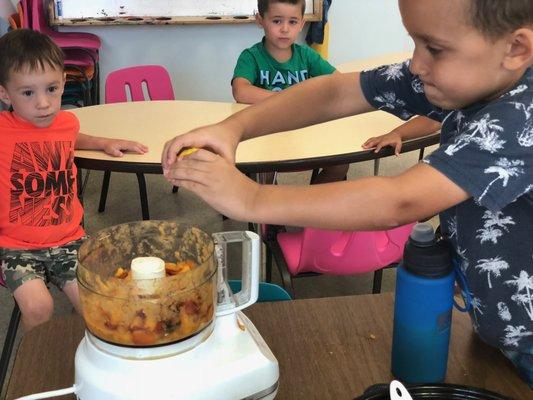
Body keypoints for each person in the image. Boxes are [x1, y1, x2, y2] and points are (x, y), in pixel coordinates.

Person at [162, 0, 533, 383]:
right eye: (415, 43)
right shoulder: (483, 73)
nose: (418, 64)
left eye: (434, 48)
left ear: (516, 48)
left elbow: (400, 200)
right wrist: (232, 129)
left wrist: (251, 198)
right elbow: (337, 92)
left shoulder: (523, 115)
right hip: (496, 320)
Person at [0, 29, 148, 331]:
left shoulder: (67, 122)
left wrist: (104, 142)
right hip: (15, 246)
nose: (43, 103)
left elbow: (71, 136)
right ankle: (37, 363)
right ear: (5, 93)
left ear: (63, 83)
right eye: (28, 93)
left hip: (69, 238)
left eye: (51, 89)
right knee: (40, 308)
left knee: (98, 300)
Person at [232, 0, 348, 184]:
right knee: (264, 170)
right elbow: (241, 92)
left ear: (302, 24)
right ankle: (271, 206)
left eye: (293, 22)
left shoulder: (307, 56)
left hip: (304, 130)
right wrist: (289, 99)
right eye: (277, 21)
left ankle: (311, 207)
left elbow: (338, 82)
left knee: (340, 164)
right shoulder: (251, 57)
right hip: (265, 133)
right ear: (260, 20)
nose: (285, 29)